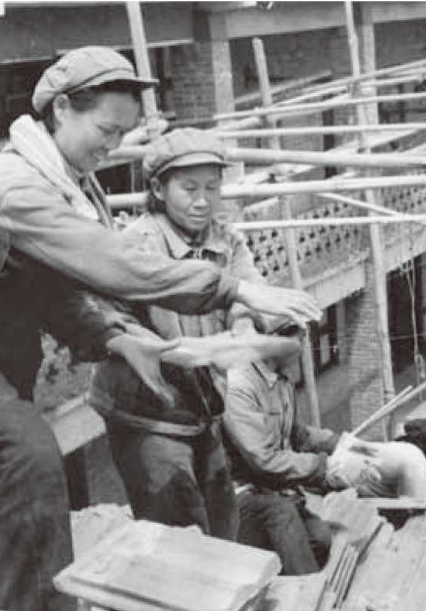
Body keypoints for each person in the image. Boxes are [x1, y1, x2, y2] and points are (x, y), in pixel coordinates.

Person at [0, 47, 320, 611]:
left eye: (122, 134)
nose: (113, 146)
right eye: (107, 130)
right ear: (62, 109)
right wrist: (234, 289)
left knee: (17, 476)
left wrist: (115, 338)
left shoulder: (67, 181)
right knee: (29, 457)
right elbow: (112, 263)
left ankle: (26, 595)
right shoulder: (16, 187)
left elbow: (52, 290)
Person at [89, 127, 292, 541]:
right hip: (147, 411)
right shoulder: (136, 246)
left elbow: (247, 292)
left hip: (202, 406)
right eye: (189, 188)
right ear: (158, 189)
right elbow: (117, 323)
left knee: (222, 520)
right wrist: (197, 350)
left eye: (212, 188)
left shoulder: (225, 240)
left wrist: (242, 326)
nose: (203, 201)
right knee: (177, 528)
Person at [222, 330, 385, 575]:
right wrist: (326, 468)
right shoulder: (239, 387)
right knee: (281, 514)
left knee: (320, 539)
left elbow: (297, 434)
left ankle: (287, 576)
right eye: (297, 339)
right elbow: (264, 460)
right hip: (240, 495)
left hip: (271, 488)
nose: (302, 346)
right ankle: (306, 591)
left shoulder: (280, 379)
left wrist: (342, 444)